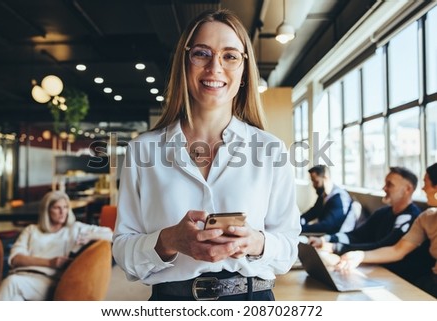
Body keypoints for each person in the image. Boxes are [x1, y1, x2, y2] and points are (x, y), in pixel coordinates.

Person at [112, 9, 300, 301]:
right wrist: (168, 241)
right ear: (185, 63)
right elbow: (123, 250)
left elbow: (288, 248)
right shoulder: (142, 150)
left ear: (244, 70)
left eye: (230, 56)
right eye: (202, 53)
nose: (215, 67)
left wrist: (255, 242)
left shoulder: (271, 150)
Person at [309, 166, 429, 281]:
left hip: (400, 279)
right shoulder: (382, 213)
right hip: (375, 271)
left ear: (407, 189)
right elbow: (356, 235)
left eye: (390, 185)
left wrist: (335, 247)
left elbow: (384, 246)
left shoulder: (411, 217)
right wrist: (326, 239)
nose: (384, 188)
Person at [338, 163, 437, 298]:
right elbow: (397, 250)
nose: (423, 188)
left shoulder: (410, 215)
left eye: (426, 183)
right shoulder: (426, 217)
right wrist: (360, 255)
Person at [0, 191, 113, 301]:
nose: (63, 212)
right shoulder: (31, 230)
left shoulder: (75, 229)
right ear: (47, 210)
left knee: (12, 283)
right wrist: (50, 262)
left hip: (47, 282)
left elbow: (111, 234)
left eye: (65, 207)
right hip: (22, 277)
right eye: (57, 208)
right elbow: (15, 259)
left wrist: (91, 236)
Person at [301, 165, 353, 234]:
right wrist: (299, 221)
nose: (313, 185)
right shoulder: (324, 195)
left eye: (316, 182)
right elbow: (314, 211)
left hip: (339, 237)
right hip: (328, 235)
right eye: (312, 182)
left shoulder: (338, 198)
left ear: (325, 178)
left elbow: (327, 226)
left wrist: (301, 228)